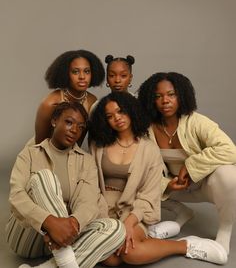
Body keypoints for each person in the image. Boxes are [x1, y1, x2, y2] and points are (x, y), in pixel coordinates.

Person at [88, 91, 227, 265]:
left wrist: (129, 223)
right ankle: (152, 236)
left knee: (129, 253)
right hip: (100, 208)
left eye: (121, 111)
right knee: (110, 261)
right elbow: (90, 186)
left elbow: (149, 193)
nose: (117, 118)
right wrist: (105, 221)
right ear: (105, 120)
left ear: (131, 111)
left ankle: (185, 245)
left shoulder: (149, 149)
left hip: (133, 209)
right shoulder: (98, 145)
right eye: (110, 116)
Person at [6, 102, 125, 268]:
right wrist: (49, 222)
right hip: (29, 237)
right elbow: (16, 196)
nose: (74, 130)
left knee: (116, 228)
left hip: (65, 238)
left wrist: (73, 224)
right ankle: (67, 261)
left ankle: (53, 264)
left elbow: (88, 202)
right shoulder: (30, 153)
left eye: (81, 127)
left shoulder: (86, 161)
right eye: (69, 122)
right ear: (55, 121)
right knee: (44, 178)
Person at [138, 71, 236, 260]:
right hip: (174, 189)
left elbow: (230, 150)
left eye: (171, 94)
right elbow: (143, 166)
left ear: (181, 96)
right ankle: (181, 212)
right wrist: (166, 184)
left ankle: (224, 230)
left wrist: (190, 167)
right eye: (158, 96)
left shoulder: (196, 121)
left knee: (229, 175)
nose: (165, 100)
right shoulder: (147, 129)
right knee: (132, 180)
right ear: (151, 100)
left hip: (206, 186)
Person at [34, 49, 105, 144]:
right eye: (75, 72)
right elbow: (40, 144)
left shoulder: (92, 101)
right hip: (43, 153)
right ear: (65, 74)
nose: (82, 77)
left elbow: (78, 142)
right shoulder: (50, 103)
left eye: (87, 71)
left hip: (70, 154)